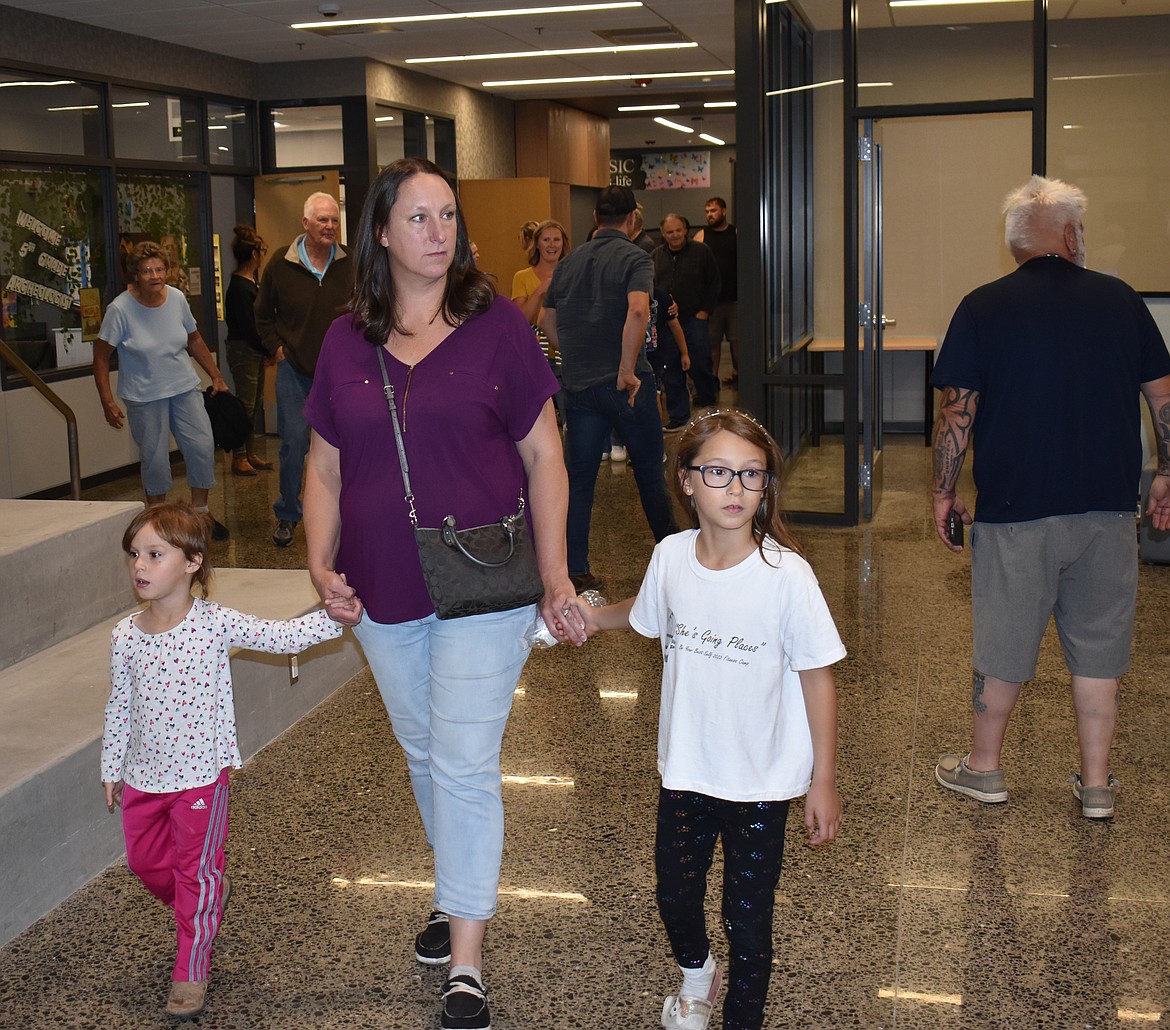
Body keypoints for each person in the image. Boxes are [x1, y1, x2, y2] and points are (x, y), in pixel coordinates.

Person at [302, 157, 585, 1030]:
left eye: (449, 217)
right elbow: (322, 467)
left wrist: (555, 573)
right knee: (425, 752)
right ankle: (454, 889)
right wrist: (321, 565)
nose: (438, 233)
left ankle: (467, 960)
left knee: (463, 762)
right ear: (380, 232)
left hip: (483, 585)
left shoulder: (498, 325)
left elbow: (546, 458)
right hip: (382, 586)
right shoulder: (346, 338)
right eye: (418, 218)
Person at [572, 408, 844, 1030]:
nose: (737, 488)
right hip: (687, 770)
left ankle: (741, 1018)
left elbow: (817, 677)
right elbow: (644, 613)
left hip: (760, 782)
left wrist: (821, 779)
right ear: (687, 481)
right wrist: (591, 616)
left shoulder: (786, 577)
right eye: (718, 472)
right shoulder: (670, 557)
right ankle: (696, 973)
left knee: (748, 916)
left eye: (752, 475)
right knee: (675, 892)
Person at [931, 175, 1170, 820]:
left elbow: (958, 410)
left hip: (1015, 510)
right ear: (1069, 235)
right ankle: (1096, 785)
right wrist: (1166, 474)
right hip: (1109, 509)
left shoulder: (982, 306)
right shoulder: (1121, 301)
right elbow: (1163, 398)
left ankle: (985, 770)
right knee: (1099, 646)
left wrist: (944, 491)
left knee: (1005, 640)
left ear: (1015, 245)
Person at [100, 503, 360, 1019]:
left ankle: (191, 967)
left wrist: (335, 618)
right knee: (146, 864)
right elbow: (119, 702)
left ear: (193, 562)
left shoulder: (213, 624)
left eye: (155, 554)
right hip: (143, 777)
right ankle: (205, 899)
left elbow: (281, 637)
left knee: (194, 874)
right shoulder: (125, 635)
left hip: (200, 776)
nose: (140, 567)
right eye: (134, 555)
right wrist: (112, 766)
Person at [540, 184, 679, 592]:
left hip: (580, 388)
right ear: (632, 219)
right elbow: (638, 309)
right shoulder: (637, 257)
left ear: (596, 219)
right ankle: (672, 563)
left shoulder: (567, 263)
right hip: (627, 385)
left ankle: (577, 570)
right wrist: (624, 367)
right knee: (650, 472)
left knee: (579, 479)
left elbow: (547, 320)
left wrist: (581, 354)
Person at [93, 240, 231, 540]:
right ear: (135, 275)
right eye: (147, 271)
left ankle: (200, 515)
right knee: (154, 458)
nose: (155, 276)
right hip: (144, 394)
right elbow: (101, 356)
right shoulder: (120, 309)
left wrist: (216, 375)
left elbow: (194, 340)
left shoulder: (177, 298)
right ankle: (156, 519)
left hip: (183, 386)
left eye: (159, 269)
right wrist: (107, 401)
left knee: (202, 445)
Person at [254, 192, 354, 548]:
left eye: (334, 221)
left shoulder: (350, 263)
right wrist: (276, 349)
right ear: (306, 224)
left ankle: (347, 513)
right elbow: (263, 314)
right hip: (294, 372)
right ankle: (287, 514)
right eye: (323, 220)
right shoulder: (281, 264)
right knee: (294, 446)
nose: (329, 227)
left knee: (348, 445)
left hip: (342, 373)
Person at [653, 214, 720, 408]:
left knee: (700, 364)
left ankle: (709, 407)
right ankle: (678, 416)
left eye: (678, 230)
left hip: (694, 319)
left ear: (685, 231)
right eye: (670, 232)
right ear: (663, 234)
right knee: (671, 369)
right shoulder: (656, 255)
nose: (674, 235)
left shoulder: (701, 251)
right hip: (667, 322)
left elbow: (714, 282)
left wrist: (705, 311)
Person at [223, 225, 274, 478]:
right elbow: (248, 328)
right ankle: (240, 456)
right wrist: (268, 349)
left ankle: (250, 453)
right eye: (262, 251)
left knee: (255, 404)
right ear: (254, 254)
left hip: (253, 350)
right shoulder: (239, 288)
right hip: (244, 351)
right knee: (245, 405)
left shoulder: (250, 283)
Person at [694, 197, 738, 386]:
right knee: (712, 343)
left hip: (735, 298)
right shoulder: (701, 236)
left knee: (737, 341)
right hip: (711, 302)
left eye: (713, 211)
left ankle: (740, 376)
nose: (710, 215)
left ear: (724, 211)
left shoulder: (735, 233)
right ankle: (712, 380)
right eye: (707, 211)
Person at [510, 218, 570, 336]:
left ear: (563, 243)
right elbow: (520, 320)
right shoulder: (521, 277)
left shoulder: (572, 275)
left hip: (565, 343)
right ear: (537, 244)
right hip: (534, 345)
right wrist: (539, 291)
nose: (552, 245)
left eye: (557, 240)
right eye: (546, 240)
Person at [645, 285, 691, 431]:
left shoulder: (660, 295)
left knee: (663, 388)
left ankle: (678, 419)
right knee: (650, 392)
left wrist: (684, 353)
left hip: (662, 352)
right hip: (639, 354)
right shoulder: (624, 294)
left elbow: (675, 325)